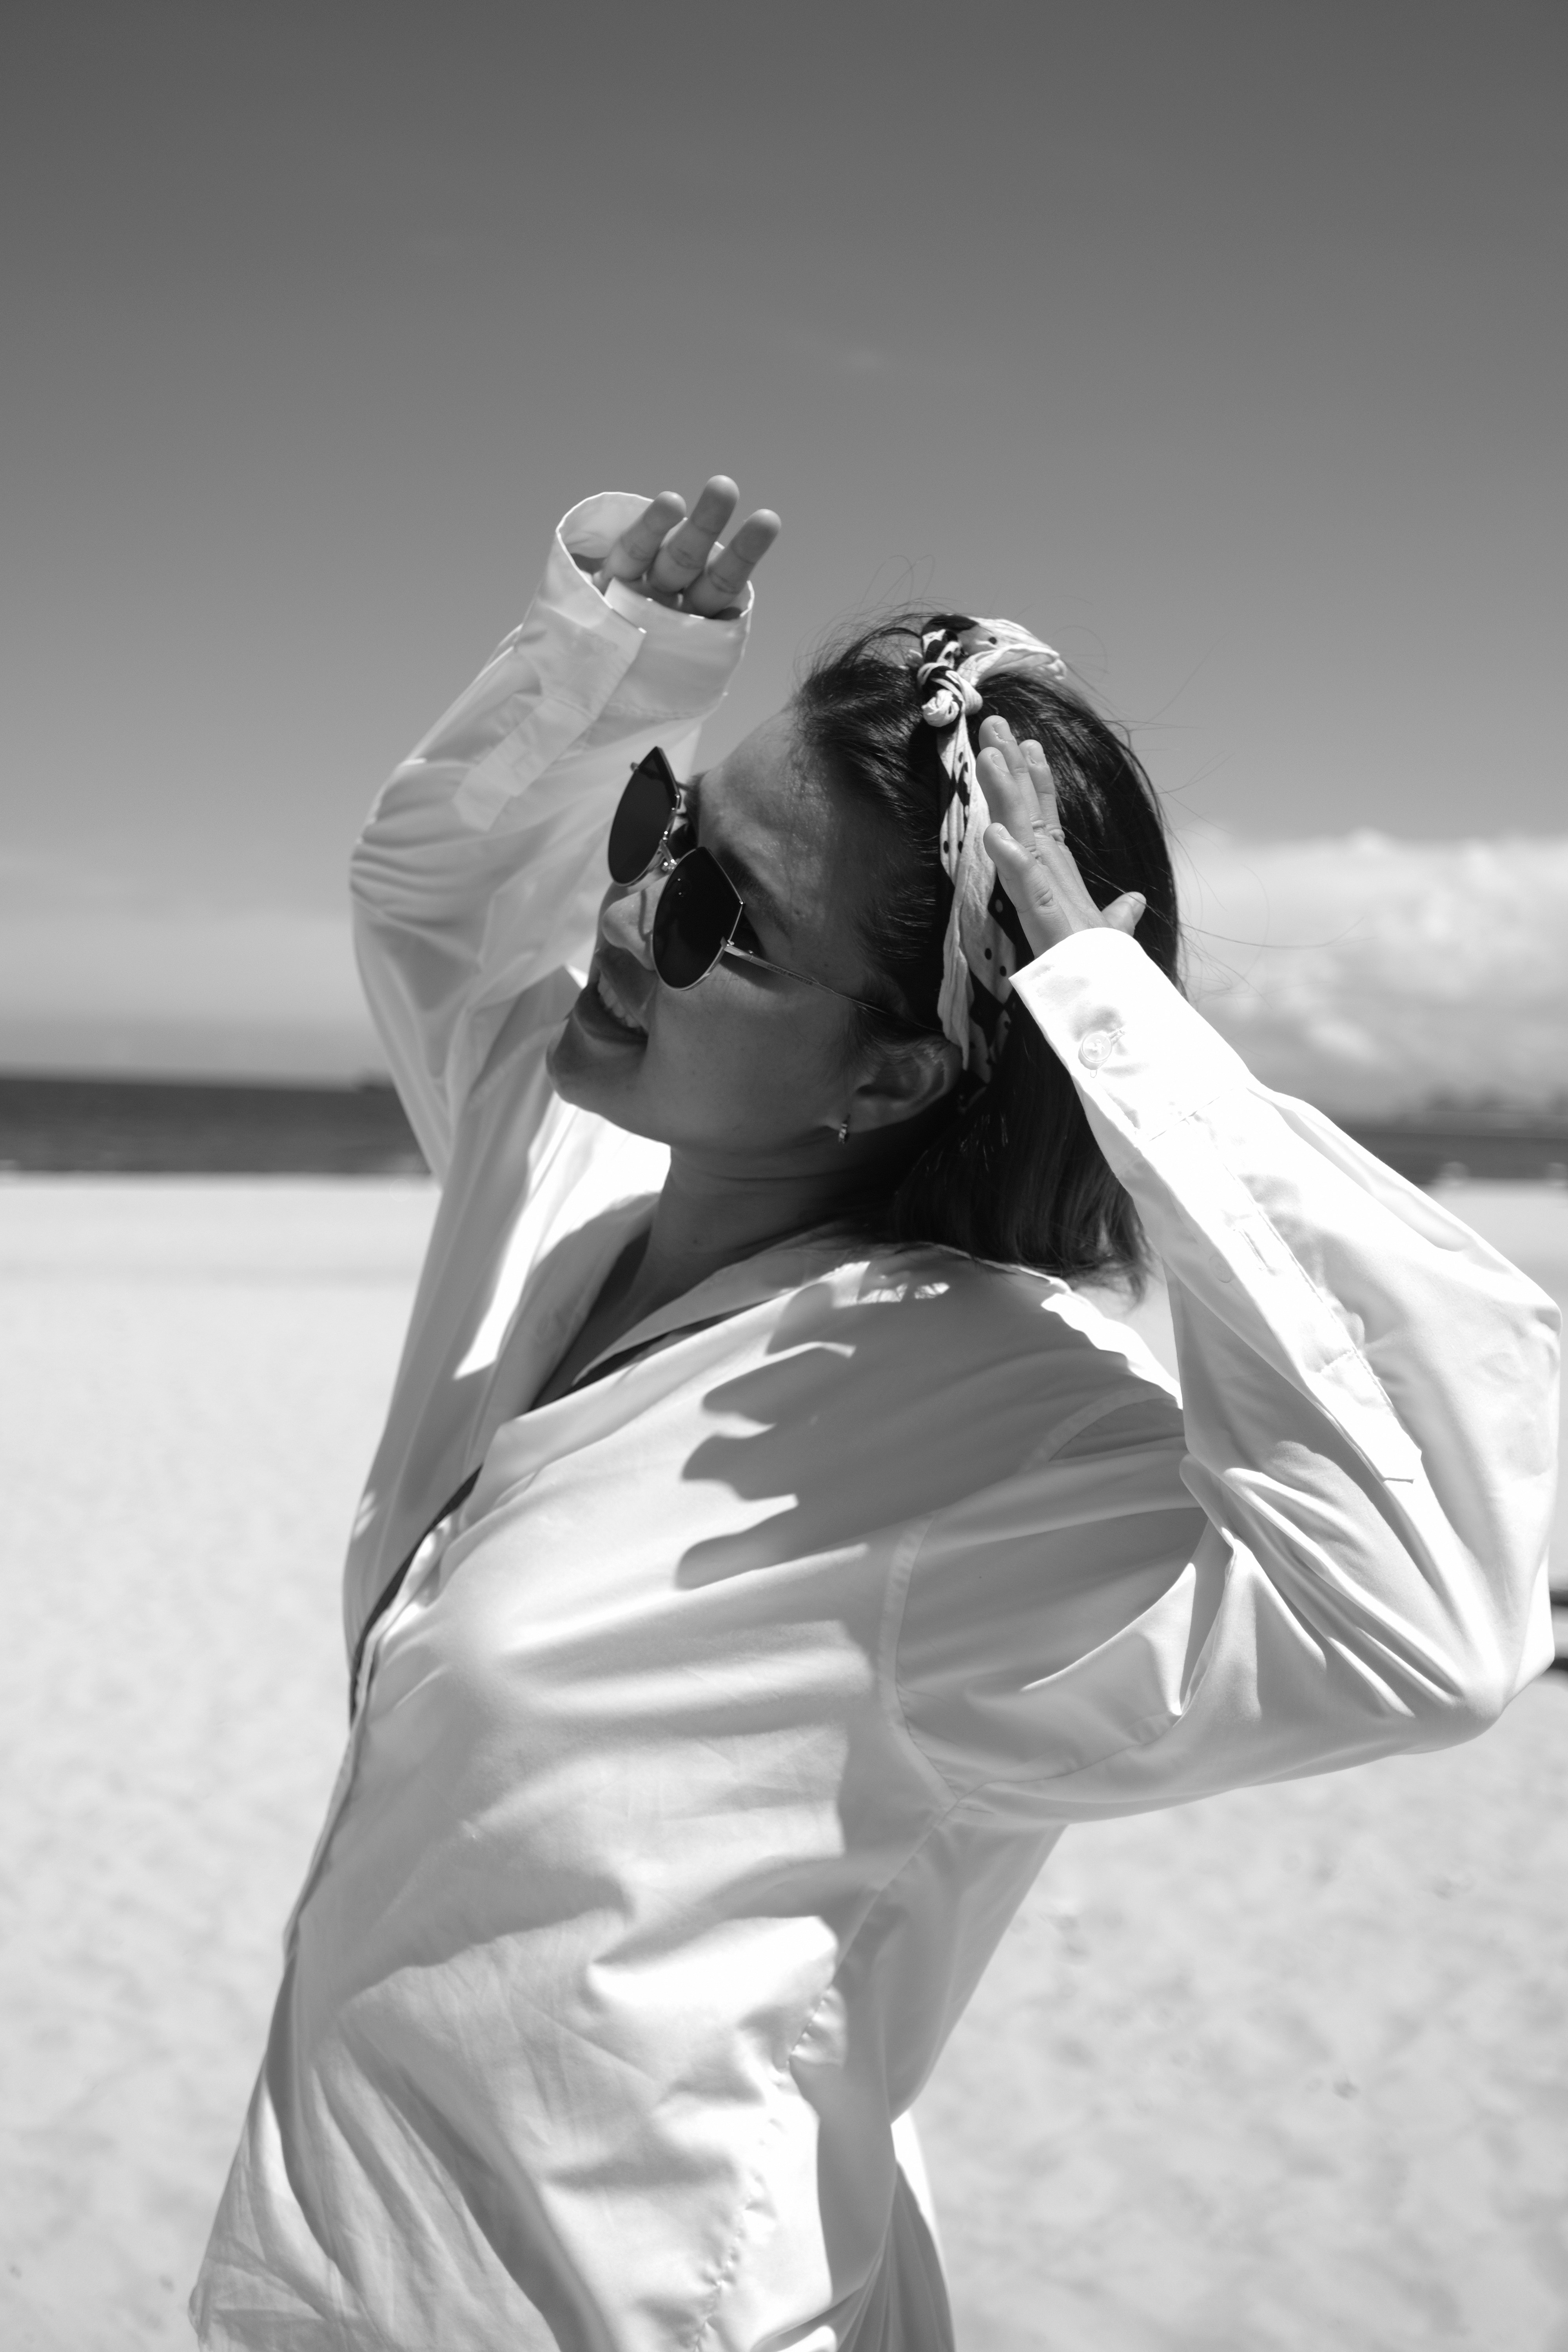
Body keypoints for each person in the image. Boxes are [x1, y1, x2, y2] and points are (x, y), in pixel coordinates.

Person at [192, 476, 1558, 2351]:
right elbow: (434, 897)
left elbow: (1427, 1611)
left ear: (895, 1071)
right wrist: (616, 666)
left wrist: (1109, 1014)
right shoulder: (569, 1176)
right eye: (662, 830)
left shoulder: (973, 1407)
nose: (623, 914)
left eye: (717, 926)